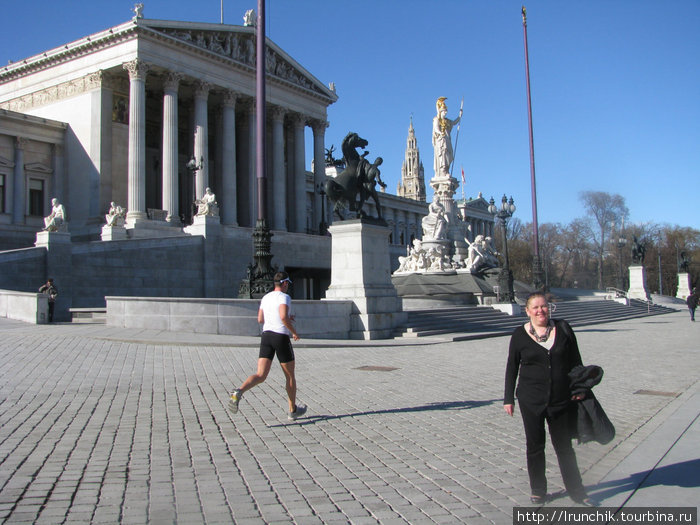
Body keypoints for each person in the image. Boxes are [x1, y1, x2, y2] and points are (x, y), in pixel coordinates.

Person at [504, 292, 597, 506]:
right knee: (535, 446)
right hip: (531, 400)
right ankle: (538, 490)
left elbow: (576, 361)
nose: (540, 311)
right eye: (535, 308)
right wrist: (508, 398)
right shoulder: (519, 335)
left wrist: (580, 387)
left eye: (543, 306)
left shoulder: (563, 329)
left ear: (549, 308)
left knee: (564, 446)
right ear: (527, 311)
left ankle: (577, 490)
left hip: (560, 398)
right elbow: (512, 367)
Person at [229, 272, 307, 421]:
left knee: (260, 375)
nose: (288, 286)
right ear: (284, 284)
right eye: (288, 284)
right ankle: (292, 410)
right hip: (280, 337)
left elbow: (260, 319)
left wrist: (281, 318)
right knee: (290, 376)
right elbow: (283, 317)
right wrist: (294, 332)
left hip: (267, 337)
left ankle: (238, 392)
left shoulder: (266, 297)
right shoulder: (285, 297)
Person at [432, 97, 462, 178]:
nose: (445, 113)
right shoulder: (436, 119)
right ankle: (442, 171)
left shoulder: (447, 121)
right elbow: (436, 129)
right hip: (441, 141)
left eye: (446, 111)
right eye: (444, 111)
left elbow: (454, 122)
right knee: (442, 154)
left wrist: (459, 116)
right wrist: (440, 133)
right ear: (440, 111)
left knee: (448, 155)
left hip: (447, 139)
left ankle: (446, 171)